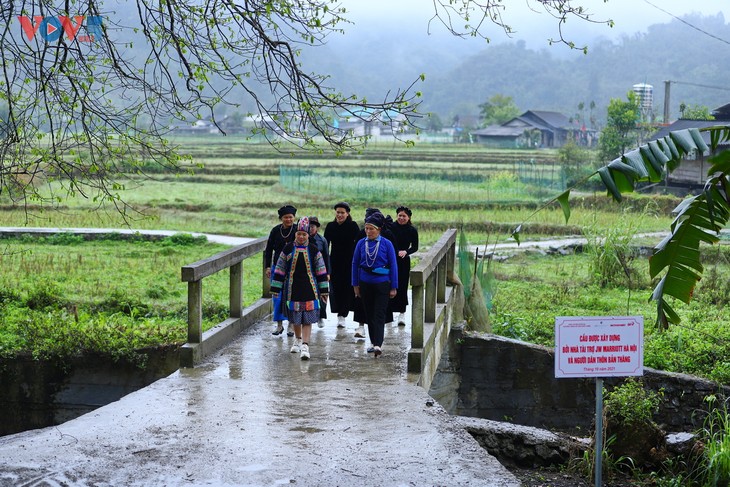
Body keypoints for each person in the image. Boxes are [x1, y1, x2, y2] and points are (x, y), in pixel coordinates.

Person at [270, 217, 329, 360]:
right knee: (296, 318)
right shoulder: (288, 248)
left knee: (307, 318)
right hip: (292, 288)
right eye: (299, 234)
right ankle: (297, 339)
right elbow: (279, 268)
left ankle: (305, 345)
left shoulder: (314, 250)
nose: (301, 237)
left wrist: (324, 291)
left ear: (308, 235)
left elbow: (321, 271)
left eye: (304, 234)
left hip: (310, 288)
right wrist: (276, 288)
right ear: (295, 234)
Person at [351, 211, 398, 358]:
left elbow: (393, 264)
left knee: (379, 314)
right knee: (369, 314)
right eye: (366, 228)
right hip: (365, 283)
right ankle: (373, 343)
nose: (368, 231)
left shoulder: (387, 244)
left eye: (371, 229)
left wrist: (393, 286)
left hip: (382, 283)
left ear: (378, 229)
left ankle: (378, 344)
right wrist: (355, 285)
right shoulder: (361, 243)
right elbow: (354, 264)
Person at [324, 202, 360, 329]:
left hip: (349, 261)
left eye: (342, 213)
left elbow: (358, 244)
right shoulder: (330, 226)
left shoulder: (353, 226)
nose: (340, 215)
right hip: (334, 261)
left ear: (347, 213)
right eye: (338, 212)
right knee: (335, 288)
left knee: (347, 288)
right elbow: (325, 245)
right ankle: (339, 314)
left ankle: (343, 314)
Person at [263, 204, 297, 336]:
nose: (288, 219)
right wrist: (267, 266)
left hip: (293, 269)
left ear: (294, 217)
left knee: (292, 296)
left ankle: (291, 325)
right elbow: (269, 249)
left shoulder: (297, 230)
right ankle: (279, 325)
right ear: (281, 218)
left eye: (290, 217)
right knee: (277, 296)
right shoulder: (276, 230)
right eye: (285, 217)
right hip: (277, 269)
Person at [388, 205, 419, 326]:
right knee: (389, 285)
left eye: (404, 216)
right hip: (390, 260)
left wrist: (406, 252)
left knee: (402, 285)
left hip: (403, 261)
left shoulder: (412, 230)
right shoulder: (391, 228)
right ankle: (389, 313)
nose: (401, 218)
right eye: (399, 215)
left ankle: (402, 313)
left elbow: (415, 247)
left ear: (409, 217)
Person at [308, 216, 330, 328]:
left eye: (312, 226)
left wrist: (328, 273)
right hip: (307, 270)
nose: (310, 228)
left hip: (321, 271)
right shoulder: (303, 239)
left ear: (316, 227)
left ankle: (321, 316)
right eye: (309, 226)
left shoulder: (322, 240)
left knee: (323, 293)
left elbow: (326, 257)